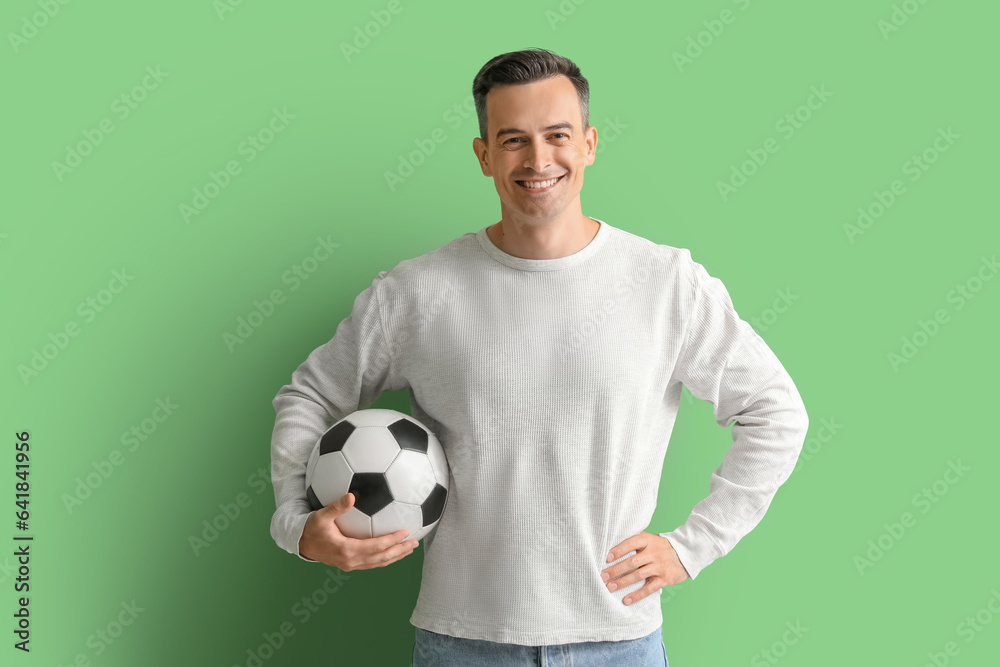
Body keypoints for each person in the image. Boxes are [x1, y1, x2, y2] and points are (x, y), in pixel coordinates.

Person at [269, 47, 809, 667]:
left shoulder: (666, 284)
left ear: (588, 144)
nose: (538, 160)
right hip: (461, 642)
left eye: (557, 136)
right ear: (484, 156)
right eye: (512, 140)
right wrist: (296, 525)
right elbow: (309, 395)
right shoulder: (417, 292)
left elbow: (776, 411)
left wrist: (693, 547)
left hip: (618, 641)